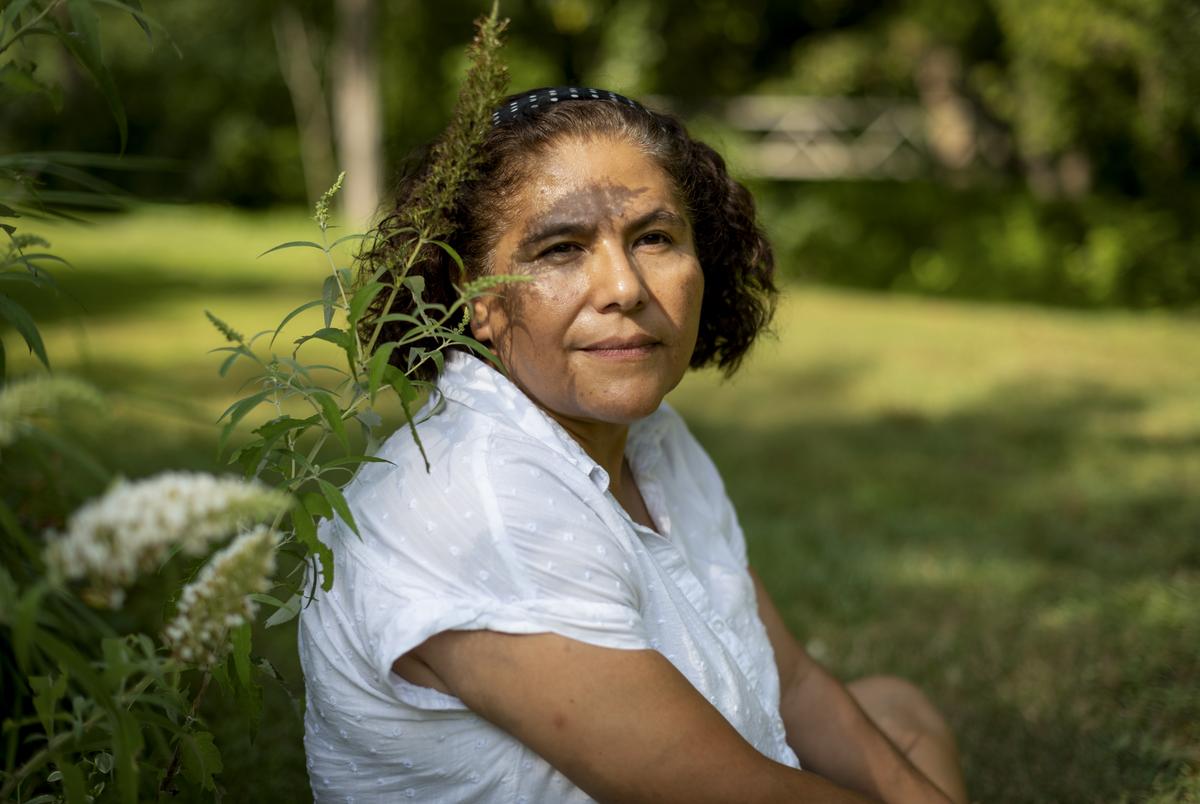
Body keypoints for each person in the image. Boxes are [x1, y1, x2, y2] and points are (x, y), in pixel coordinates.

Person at [298, 86, 969, 803]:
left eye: (654, 237)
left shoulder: (651, 441)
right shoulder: (481, 498)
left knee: (896, 710)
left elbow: (794, 681)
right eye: (561, 248)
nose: (625, 285)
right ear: (478, 297)